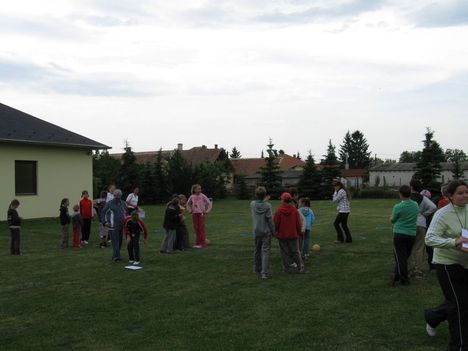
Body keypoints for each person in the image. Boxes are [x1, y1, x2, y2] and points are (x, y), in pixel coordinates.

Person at [424, 180, 468, 350]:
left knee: (460, 301)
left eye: (466, 192)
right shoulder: (442, 214)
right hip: (447, 264)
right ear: (450, 196)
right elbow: (430, 238)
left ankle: (433, 316)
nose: (465, 195)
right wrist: (454, 241)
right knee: (459, 306)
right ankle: (459, 346)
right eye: (460, 193)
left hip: (465, 262)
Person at [389, 185, 419, 286]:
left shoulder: (398, 206)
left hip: (399, 234)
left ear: (400, 194)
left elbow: (392, 220)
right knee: (404, 257)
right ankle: (396, 275)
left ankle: (404, 279)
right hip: (411, 234)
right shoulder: (415, 204)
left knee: (400, 257)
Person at [408, 179, 437, 278]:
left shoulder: (408, 197)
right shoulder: (423, 198)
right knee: (419, 248)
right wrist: (424, 214)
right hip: (421, 224)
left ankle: (409, 268)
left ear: (411, 187)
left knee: (409, 247)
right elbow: (433, 207)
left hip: (409, 224)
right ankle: (418, 270)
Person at [274, 192, 304, 273]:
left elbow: (276, 223)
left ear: (283, 200)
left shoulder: (279, 210)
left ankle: (287, 268)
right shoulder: (294, 210)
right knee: (295, 251)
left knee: (284, 252)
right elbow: (298, 223)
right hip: (293, 235)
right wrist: (299, 232)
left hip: (282, 235)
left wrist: (275, 232)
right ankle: (300, 267)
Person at [251, 186, 274, 279]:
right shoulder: (268, 206)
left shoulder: (252, 204)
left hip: (257, 231)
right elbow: (270, 220)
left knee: (257, 249)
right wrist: (273, 231)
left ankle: (256, 268)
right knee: (265, 251)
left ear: (256, 195)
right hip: (266, 231)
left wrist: (264, 199)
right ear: (265, 195)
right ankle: (264, 273)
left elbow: (259, 202)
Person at [101, 189, 127, 262]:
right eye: (117, 197)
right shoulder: (109, 203)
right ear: (114, 196)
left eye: (119, 197)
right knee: (115, 242)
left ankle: (116, 255)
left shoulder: (122, 203)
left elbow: (125, 212)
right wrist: (105, 222)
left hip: (121, 225)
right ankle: (116, 257)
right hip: (112, 226)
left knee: (120, 242)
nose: (118, 198)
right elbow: (103, 212)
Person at [187, 184, 212, 248]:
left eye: (200, 189)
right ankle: (197, 243)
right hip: (194, 214)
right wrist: (189, 210)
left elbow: (209, 203)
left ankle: (202, 243)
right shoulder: (192, 196)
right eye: (198, 189)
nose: (200, 190)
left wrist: (207, 211)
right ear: (194, 190)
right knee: (196, 229)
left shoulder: (202, 195)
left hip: (201, 214)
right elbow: (188, 204)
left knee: (201, 228)